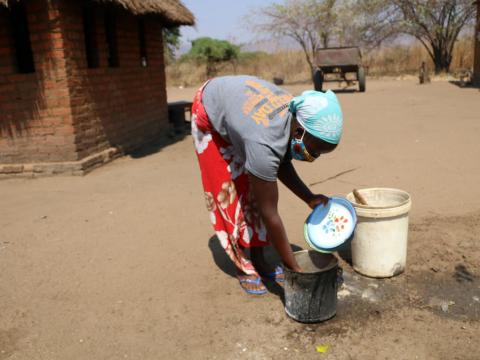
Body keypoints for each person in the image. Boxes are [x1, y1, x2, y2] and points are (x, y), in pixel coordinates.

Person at [191, 75, 343, 295]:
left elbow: (279, 161)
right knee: (230, 194)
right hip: (209, 110)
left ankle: (260, 259)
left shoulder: (294, 117)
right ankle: (243, 265)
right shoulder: (263, 141)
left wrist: (308, 197)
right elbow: (270, 212)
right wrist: (295, 269)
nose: (315, 157)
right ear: (299, 131)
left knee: (257, 185)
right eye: (315, 150)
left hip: (245, 115)